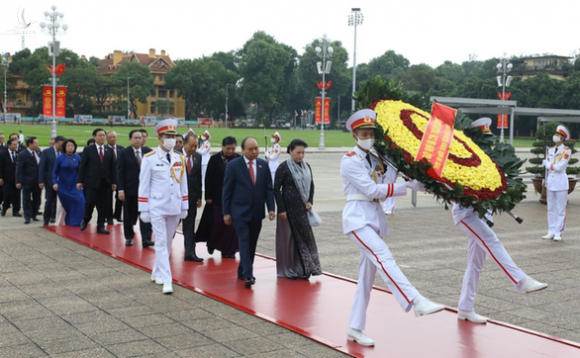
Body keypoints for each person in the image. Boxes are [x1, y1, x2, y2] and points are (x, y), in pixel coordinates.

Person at [341, 109, 444, 347]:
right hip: (357, 219)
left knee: (366, 279)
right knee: (384, 256)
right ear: (355, 136)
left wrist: (407, 175)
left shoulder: (377, 160)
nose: (368, 137)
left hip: (374, 219)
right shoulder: (349, 160)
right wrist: (407, 186)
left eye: (371, 133)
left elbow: (386, 185)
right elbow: (372, 190)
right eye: (364, 133)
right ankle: (415, 300)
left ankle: (355, 328)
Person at [452, 203, 548, 324]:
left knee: (475, 263)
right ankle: (521, 280)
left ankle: (465, 307)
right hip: (466, 213)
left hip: (483, 213)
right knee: (491, 240)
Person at [139, 119, 188, 294]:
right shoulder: (150, 159)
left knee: (167, 243)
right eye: (168, 136)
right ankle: (167, 280)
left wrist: (185, 205)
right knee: (160, 242)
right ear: (160, 138)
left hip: (175, 206)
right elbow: (143, 185)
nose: (171, 140)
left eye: (173, 136)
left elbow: (183, 184)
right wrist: (143, 208)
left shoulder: (179, 158)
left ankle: (156, 272)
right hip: (157, 206)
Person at [222, 137, 275, 288]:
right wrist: (226, 212)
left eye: (256, 148)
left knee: (252, 244)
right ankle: (248, 274)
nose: (254, 152)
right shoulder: (233, 166)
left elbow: (268, 189)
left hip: (257, 213)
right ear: (243, 150)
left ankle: (242, 270)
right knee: (244, 242)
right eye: (250, 149)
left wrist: (271, 208)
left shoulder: (263, 165)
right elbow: (227, 190)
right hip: (239, 212)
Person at [274, 138, 321, 279]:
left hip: (303, 211)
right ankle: (290, 268)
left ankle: (305, 269)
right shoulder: (283, 167)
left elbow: (311, 185)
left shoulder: (307, 166)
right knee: (289, 240)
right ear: (290, 151)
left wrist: (310, 201)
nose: (300, 155)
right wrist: (281, 209)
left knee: (305, 239)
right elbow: (276, 189)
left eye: (303, 152)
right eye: (297, 152)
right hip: (288, 211)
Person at [196, 136, 240, 258]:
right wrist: (208, 196)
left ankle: (228, 250)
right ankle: (212, 243)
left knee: (231, 226)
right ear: (222, 147)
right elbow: (208, 177)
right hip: (217, 198)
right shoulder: (215, 159)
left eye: (233, 148)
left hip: (233, 198)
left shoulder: (239, 158)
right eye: (228, 148)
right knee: (218, 223)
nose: (230, 151)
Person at [117, 130, 154, 247]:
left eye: (140, 137)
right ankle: (129, 236)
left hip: (146, 190)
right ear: (130, 139)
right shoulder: (124, 153)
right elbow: (120, 172)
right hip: (130, 189)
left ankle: (146, 238)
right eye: (136, 138)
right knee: (128, 214)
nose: (138, 140)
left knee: (146, 213)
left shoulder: (149, 152)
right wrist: (121, 190)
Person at [77, 128, 117, 234]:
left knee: (104, 205)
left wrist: (114, 182)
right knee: (89, 203)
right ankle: (86, 219)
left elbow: (113, 168)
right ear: (94, 137)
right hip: (91, 182)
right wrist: (80, 181)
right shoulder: (88, 150)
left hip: (105, 183)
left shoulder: (109, 150)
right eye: (100, 135)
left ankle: (100, 226)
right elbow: (83, 166)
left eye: (104, 135)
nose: (102, 137)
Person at [542, 125, 572, 241]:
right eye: (555, 135)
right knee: (550, 208)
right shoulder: (549, 150)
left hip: (560, 182)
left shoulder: (566, 151)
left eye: (558, 135)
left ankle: (559, 232)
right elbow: (547, 169)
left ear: (562, 138)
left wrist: (548, 164)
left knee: (560, 209)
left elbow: (560, 167)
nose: (555, 137)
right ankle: (551, 230)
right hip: (551, 181)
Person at [52, 139, 85, 226]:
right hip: (63, 185)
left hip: (75, 184)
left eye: (72, 146)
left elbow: (81, 171)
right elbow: (54, 171)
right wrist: (55, 182)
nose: (70, 147)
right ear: (65, 147)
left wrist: (82, 182)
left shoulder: (78, 158)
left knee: (81, 201)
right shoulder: (60, 158)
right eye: (68, 146)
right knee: (66, 204)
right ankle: (67, 221)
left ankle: (77, 221)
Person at [182, 133, 203, 262]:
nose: (194, 149)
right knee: (171, 227)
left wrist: (199, 196)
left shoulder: (197, 157)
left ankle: (190, 252)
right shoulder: (174, 155)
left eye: (196, 146)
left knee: (189, 226)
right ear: (184, 144)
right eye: (191, 146)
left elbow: (198, 177)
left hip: (191, 198)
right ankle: (164, 249)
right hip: (176, 198)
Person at [39, 136, 65, 225]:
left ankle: (57, 218)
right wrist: (41, 181)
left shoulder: (65, 152)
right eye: (60, 145)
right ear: (55, 143)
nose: (61, 147)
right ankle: (46, 220)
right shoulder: (47, 152)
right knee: (49, 201)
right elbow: (42, 167)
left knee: (62, 202)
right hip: (50, 181)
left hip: (62, 182)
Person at [16, 136, 42, 224]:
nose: (37, 145)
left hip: (38, 181)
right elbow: (19, 169)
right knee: (26, 199)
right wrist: (18, 181)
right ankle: (27, 216)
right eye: (36, 143)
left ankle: (34, 214)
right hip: (27, 181)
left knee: (37, 199)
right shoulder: (23, 154)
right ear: (30, 144)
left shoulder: (38, 152)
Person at [106, 130, 124, 224]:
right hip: (108, 178)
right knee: (108, 198)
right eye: (110, 137)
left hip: (119, 178)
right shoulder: (104, 149)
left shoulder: (121, 149)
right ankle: (108, 217)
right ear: (106, 138)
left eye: (114, 137)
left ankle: (117, 215)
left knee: (120, 197)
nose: (112, 139)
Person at [0, 138, 21, 217]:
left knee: (17, 195)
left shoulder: (19, 154)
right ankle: (5, 208)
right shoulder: (3, 155)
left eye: (16, 145)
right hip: (7, 178)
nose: (16, 146)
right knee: (7, 195)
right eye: (14, 145)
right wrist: (0, 177)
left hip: (17, 178)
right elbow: (1, 167)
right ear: (9, 145)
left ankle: (16, 211)